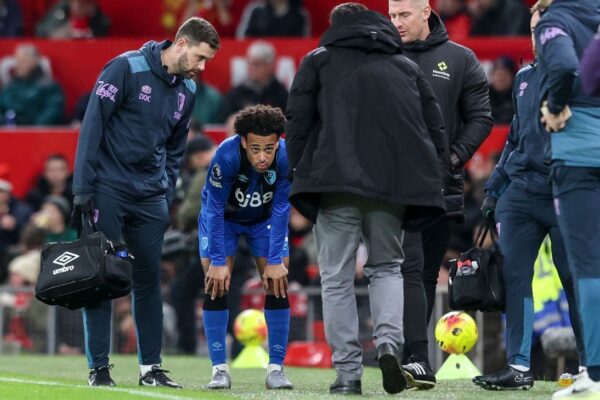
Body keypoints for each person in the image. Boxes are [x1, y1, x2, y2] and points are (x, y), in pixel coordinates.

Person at [286, 3, 446, 395]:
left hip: (333, 183)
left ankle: (348, 374)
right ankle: (389, 345)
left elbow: (298, 121)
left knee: (336, 278)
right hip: (391, 188)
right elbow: (433, 125)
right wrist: (434, 174)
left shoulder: (318, 60)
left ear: (335, 27)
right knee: (387, 268)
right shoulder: (404, 65)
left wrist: (300, 174)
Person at [71, 17, 220, 388]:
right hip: (108, 189)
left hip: (150, 197)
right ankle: (99, 369)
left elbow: (176, 148)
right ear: (181, 44)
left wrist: (165, 191)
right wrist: (82, 189)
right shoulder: (125, 68)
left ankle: (150, 369)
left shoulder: (188, 89)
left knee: (149, 280)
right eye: (200, 57)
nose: (202, 67)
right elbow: (92, 127)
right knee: (101, 276)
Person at [473, 3, 584, 390]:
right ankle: (518, 366)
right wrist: (494, 189)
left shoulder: (584, 75)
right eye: (534, 30)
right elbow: (515, 138)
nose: (538, 38)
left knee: (575, 279)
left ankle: (590, 366)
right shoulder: (523, 77)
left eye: (545, 29)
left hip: (566, 190)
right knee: (514, 275)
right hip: (520, 191)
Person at [388, 0, 492, 389]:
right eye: (391, 15)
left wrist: (452, 159)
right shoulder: (382, 55)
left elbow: (481, 117)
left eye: (403, 15)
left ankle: (409, 357)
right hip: (391, 186)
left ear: (425, 12)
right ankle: (414, 356)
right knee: (409, 266)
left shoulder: (460, 59)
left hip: (439, 186)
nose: (396, 22)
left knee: (426, 273)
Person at [198, 104, 293, 390]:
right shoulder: (225, 155)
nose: (262, 157)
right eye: (255, 149)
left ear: (278, 142)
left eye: (269, 149)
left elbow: (281, 207)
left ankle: (276, 369)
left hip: (263, 219)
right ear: (243, 143)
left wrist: (275, 260)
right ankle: (219, 369)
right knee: (215, 282)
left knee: (278, 281)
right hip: (224, 220)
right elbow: (214, 209)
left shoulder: (287, 156)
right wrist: (217, 261)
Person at [533, 0, 600, 398]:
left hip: (578, 157)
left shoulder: (555, 20)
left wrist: (554, 106)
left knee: (589, 265)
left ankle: (595, 374)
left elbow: (562, 67)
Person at [218, 40, 288, 123]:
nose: (252, 68)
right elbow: (222, 122)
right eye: (250, 63)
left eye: (257, 64)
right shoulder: (237, 93)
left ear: (271, 66)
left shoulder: (281, 95)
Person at [0, 44, 65, 126]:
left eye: (23, 61)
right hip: (10, 131)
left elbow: (52, 112)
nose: (18, 65)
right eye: (17, 61)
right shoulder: (10, 87)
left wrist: (32, 129)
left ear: (35, 62)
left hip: (38, 132)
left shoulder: (50, 86)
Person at [36, 0, 110, 39]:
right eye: (74, 1)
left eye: (82, 3)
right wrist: (54, 34)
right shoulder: (61, 9)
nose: (77, 6)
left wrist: (94, 16)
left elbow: (104, 32)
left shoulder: (97, 16)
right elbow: (40, 30)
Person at [237, 0, 310, 39]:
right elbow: (242, 38)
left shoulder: (300, 15)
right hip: (258, 56)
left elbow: (303, 42)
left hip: (288, 58)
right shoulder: (255, 10)